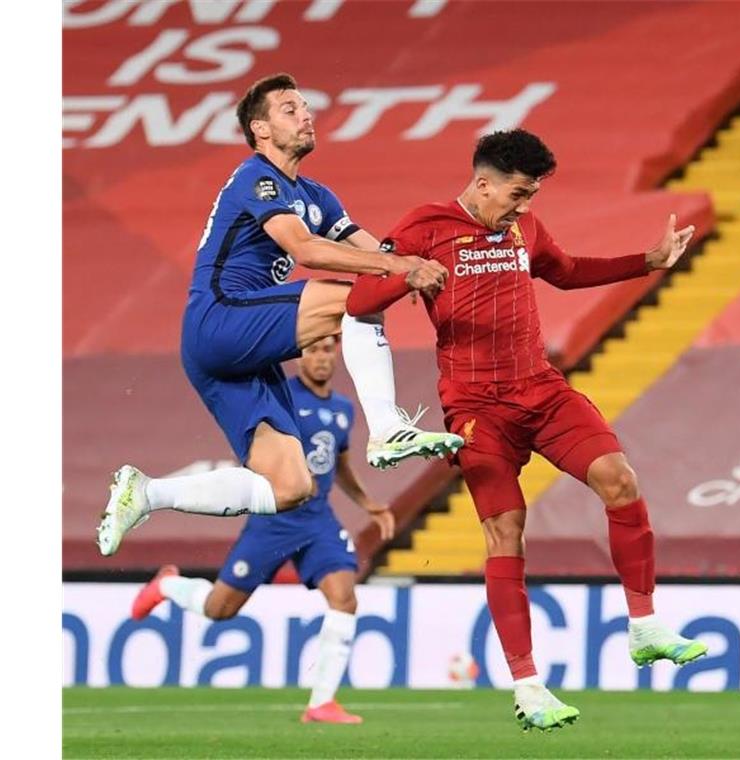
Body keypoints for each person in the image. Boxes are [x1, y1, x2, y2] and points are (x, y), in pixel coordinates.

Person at [345, 129, 708, 731]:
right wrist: (405, 275)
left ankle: (644, 625)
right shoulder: (425, 226)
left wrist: (645, 261)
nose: (523, 208)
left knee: (619, 480)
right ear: (483, 184)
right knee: (506, 529)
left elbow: (563, 271)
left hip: (540, 389)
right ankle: (529, 685)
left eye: (531, 196)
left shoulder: (523, 229)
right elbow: (361, 300)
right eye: (516, 194)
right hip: (475, 406)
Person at [97, 72, 463, 558]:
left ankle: (145, 493)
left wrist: (425, 268)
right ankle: (384, 427)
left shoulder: (317, 195)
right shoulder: (255, 177)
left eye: (305, 107)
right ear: (261, 130)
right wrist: (399, 269)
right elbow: (304, 248)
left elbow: (374, 251)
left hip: (235, 353)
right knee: (352, 300)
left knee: (291, 486)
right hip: (218, 321)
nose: (306, 115)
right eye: (290, 109)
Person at [130, 336, 387, 724]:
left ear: (336, 355)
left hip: (317, 521)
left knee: (345, 598)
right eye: (313, 350)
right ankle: (166, 585)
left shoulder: (343, 409)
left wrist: (369, 504)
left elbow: (342, 464)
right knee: (220, 609)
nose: (320, 358)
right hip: (273, 519)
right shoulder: (280, 397)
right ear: (300, 358)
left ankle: (321, 703)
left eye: (327, 350)